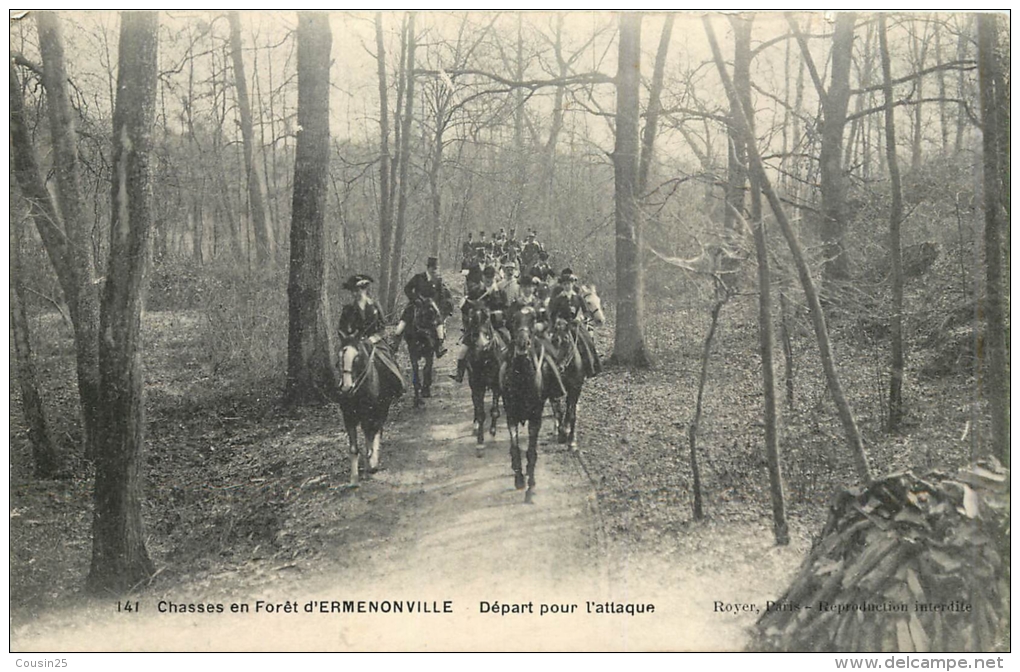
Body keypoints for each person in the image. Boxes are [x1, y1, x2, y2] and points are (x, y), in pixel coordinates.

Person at [337, 274, 402, 393]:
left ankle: (395, 387)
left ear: (365, 289)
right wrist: (349, 338)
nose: (355, 294)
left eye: (357, 290)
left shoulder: (375, 306)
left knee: (386, 362)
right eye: (353, 291)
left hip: (374, 343)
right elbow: (341, 329)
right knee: (345, 359)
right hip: (354, 344)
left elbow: (383, 327)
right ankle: (344, 385)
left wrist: (372, 339)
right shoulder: (348, 309)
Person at [393, 257, 453, 357]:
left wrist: (439, 308)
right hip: (417, 304)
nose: (435, 270)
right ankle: (396, 341)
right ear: (428, 268)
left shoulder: (438, 280)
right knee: (405, 319)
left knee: (439, 322)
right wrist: (414, 298)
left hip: (432, 307)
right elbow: (407, 288)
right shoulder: (418, 277)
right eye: (433, 268)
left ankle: (440, 345)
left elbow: (442, 295)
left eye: (436, 268)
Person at [548, 268, 602, 375]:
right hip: (562, 326)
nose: (567, 286)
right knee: (556, 342)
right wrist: (559, 321)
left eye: (569, 284)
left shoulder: (578, 298)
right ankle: (553, 367)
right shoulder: (558, 299)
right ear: (562, 285)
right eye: (565, 284)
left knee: (586, 341)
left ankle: (590, 367)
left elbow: (586, 312)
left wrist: (579, 318)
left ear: (572, 284)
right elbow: (553, 314)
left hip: (575, 324)